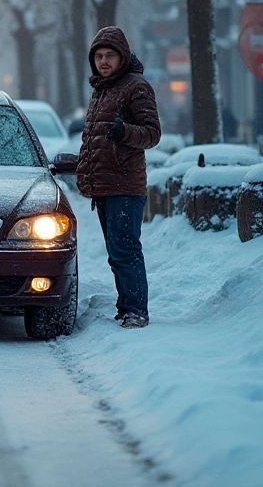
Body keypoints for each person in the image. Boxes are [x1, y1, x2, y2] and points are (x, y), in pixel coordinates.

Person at [75, 26, 162, 329]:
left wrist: (125, 132)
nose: (103, 61)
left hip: (125, 184)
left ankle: (137, 311)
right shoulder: (102, 89)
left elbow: (152, 133)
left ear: (122, 56)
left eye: (109, 55)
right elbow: (96, 140)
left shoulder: (135, 86)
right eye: (98, 56)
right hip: (106, 185)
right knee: (116, 252)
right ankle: (125, 307)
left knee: (125, 249)